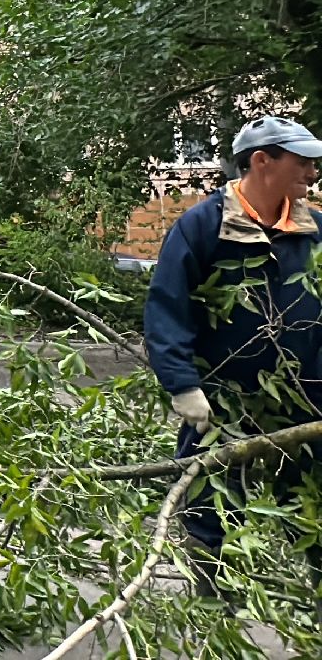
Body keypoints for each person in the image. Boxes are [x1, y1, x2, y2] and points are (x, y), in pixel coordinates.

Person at [144, 115, 322, 602]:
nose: (313, 173)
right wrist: (182, 384)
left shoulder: (314, 230)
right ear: (263, 161)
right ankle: (214, 606)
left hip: (308, 398)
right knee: (210, 505)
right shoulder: (203, 227)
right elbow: (167, 306)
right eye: (304, 163)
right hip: (223, 402)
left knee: (314, 508)